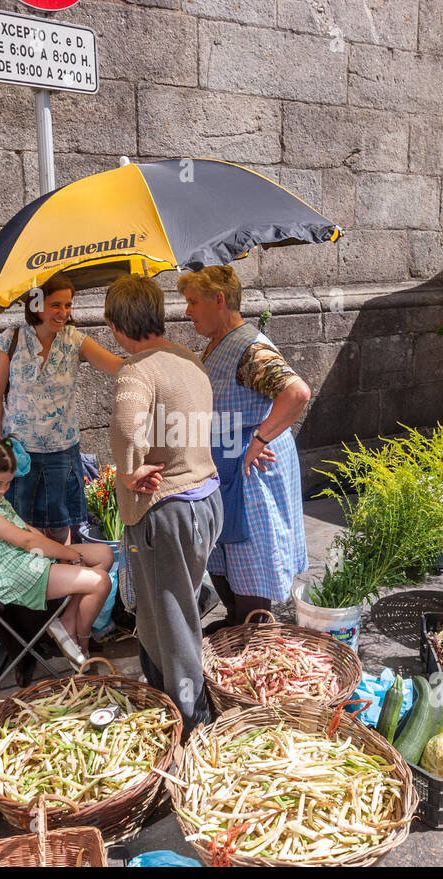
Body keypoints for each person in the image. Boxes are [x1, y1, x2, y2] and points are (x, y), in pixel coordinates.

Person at [106, 275, 223, 731]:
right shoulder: (187, 358)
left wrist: (128, 469)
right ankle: (162, 700)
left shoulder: (137, 369)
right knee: (166, 612)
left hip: (166, 509)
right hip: (206, 499)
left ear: (117, 325)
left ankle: (196, 726)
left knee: (171, 624)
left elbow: (123, 426)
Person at [179, 266, 311, 633]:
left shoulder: (251, 349)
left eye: (193, 302)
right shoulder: (221, 340)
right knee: (225, 554)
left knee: (250, 558)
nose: (187, 311)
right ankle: (236, 623)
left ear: (219, 300)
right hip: (229, 465)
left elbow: (296, 393)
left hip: (252, 471)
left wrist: (260, 439)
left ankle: (255, 633)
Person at [0, 436, 113, 684]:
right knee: (100, 581)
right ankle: (80, 640)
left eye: (7, 484)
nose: (3, 490)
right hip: (11, 574)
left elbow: (27, 530)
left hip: (22, 560)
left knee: (104, 554)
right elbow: (27, 542)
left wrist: (60, 553)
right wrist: (70, 555)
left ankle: (67, 622)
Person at [0, 274, 123, 544]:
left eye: (68, 305)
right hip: (19, 453)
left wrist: (155, 354)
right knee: (21, 525)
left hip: (62, 453)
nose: (64, 312)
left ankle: (63, 579)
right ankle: (35, 579)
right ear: (36, 304)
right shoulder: (11, 339)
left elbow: (116, 366)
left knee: (61, 527)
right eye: (56, 305)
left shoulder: (75, 340)